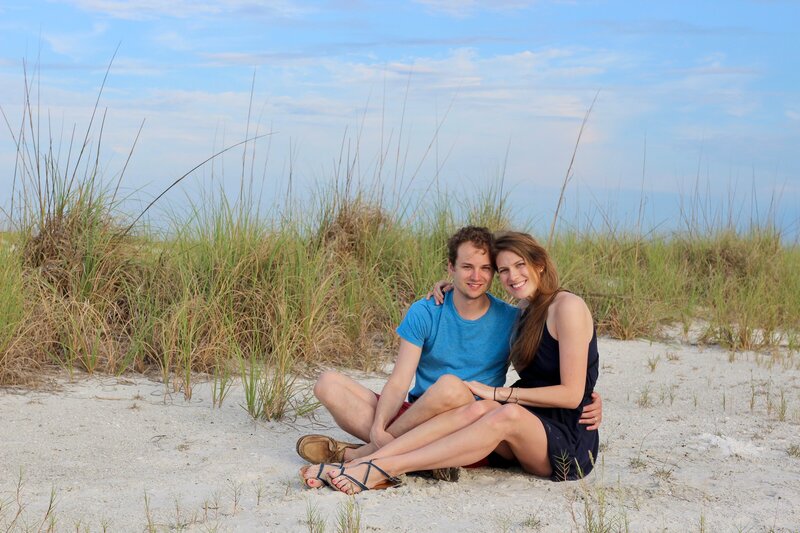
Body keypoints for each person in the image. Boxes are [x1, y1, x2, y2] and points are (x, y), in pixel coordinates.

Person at [297, 227, 602, 487]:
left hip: (494, 422)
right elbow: (399, 380)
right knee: (328, 383)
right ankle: (393, 452)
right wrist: (379, 427)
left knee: (459, 391)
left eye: (488, 269)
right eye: (503, 269)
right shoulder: (517, 313)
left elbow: (571, 389)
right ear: (451, 268)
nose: (481, 276)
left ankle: (366, 460)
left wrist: (586, 396)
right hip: (432, 413)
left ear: (539, 264)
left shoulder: (529, 313)